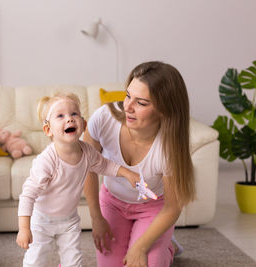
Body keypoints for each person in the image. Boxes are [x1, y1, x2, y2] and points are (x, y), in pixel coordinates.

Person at [83, 61, 195, 267]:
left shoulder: (169, 146)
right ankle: (159, 242)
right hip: (112, 202)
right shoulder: (104, 118)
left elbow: (172, 207)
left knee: (146, 262)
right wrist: (96, 217)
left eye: (141, 103)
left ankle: (164, 246)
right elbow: (86, 166)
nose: (128, 106)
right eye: (127, 96)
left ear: (164, 109)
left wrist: (141, 247)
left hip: (154, 207)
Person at [16, 92, 143, 267]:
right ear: (48, 130)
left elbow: (106, 165)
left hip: (69, 221)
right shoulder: (47, 161)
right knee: (36, 260)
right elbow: (27, 195)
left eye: (74, 114)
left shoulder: (88, 152)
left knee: (73, 260)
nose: (69, 119)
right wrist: (24, 228)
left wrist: (128, 174)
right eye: (60, 116)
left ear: (83, 124)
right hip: (42, 220)